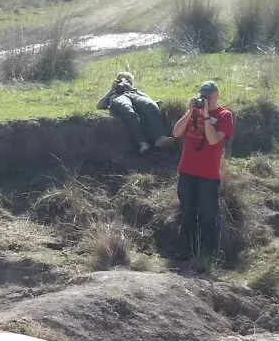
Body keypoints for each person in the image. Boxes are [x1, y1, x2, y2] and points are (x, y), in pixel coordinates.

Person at [172, 80, 233, 263]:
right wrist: (190, 111)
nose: (205, 99)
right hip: (187, 171)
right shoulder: (193, 112)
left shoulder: (224, 115)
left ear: (216, 95)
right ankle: (188, 250)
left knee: (207, 214)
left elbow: (214, 140)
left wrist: (206, 116)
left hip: (209, 174)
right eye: (203, 95)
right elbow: (176, 133)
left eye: (209, 95)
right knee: (187, 212)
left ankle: (207, 253)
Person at [97, 72, 173, 155]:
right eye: (121, 79)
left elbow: (149, 99)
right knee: (127, 110)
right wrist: (112, 90)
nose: (125, 81)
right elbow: (99, 105)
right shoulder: (113, 93)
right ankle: (142, 143)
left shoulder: (134, 91)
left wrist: (133, 89)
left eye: (128, 79)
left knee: (150, 105)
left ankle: (160, 138)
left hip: (133, 95)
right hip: (119, 96)